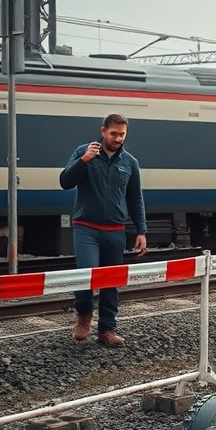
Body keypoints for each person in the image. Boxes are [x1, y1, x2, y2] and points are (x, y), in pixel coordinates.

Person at [59, 113, 148, 347]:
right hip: (86, 227)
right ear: (103, 131)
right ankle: (84, 314)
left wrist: (141, 230)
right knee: (86, 273)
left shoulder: (129, 163)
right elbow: (65, 182)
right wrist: (84, 160)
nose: (118, 138)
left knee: (111, 281)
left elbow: (135, 199)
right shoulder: (83, 152)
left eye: (122, 134)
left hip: (115, 230)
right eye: (114, 134)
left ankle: (107, 329)